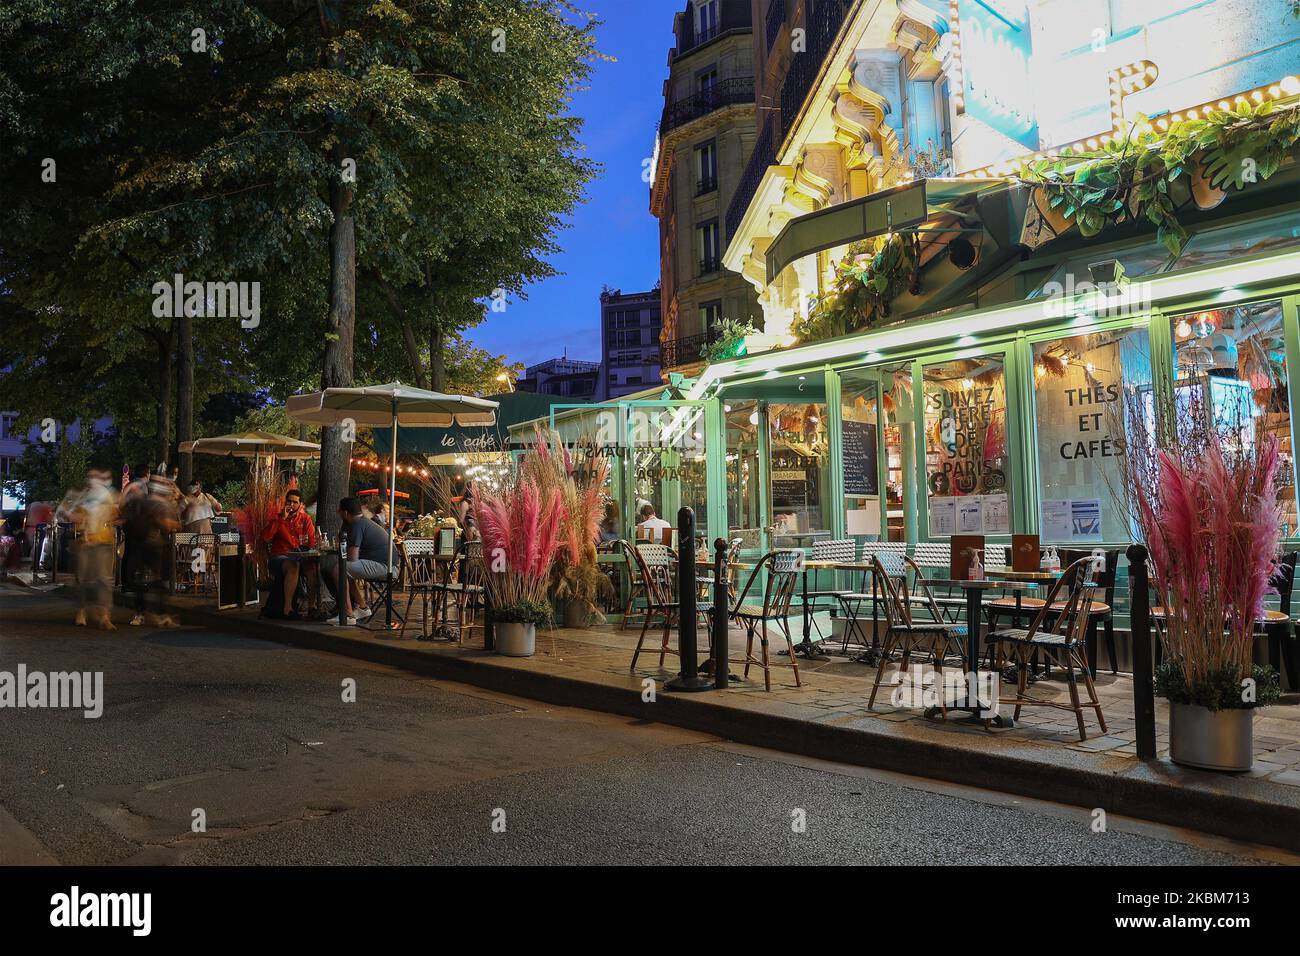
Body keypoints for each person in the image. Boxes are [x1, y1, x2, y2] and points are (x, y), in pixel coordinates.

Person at [57, 468, 120, 630]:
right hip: (83, 542)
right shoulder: (79, 496)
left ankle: (105, 616)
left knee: (104, 580)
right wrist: (70, 515)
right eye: (91, 476)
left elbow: (115, 514)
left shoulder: (107, 496)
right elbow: (62, 512)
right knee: (82, 578)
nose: (94, 479)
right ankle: (81, 612)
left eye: (97, 476)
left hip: (103, 542)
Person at [320, 497, 392, 625]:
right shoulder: (362, 522)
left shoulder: (357, 525)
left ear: (346, 513)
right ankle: (362, 607)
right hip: (388, 564)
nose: (338, 513)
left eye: (340, 511)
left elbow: (352, 558)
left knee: (339, 569)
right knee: (346, 569)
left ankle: (347, 614)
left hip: (386, 567)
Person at [121, 475, 181, 627]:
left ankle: (139, 614)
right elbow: (168, 525)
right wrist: (176, 524)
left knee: (140, 580)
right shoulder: (163, 505)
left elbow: (124, 518)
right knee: (159, 580)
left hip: (137, 545)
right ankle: (162, 615)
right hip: (155, 546)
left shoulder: (141, 501)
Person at [262, 489, 318, 620]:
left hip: (300, 556)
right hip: (279, 558)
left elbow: (312, 541)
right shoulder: (277, 518)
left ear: (300, 504)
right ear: (285, 502)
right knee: (293, 565)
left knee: (312, 569)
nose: (291, 504)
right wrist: (282, 519)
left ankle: (311, 607)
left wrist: (306, 547)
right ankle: (288, 609)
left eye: (295, 502)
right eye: (289, 501)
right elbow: (265, 538)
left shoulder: (305, 519)